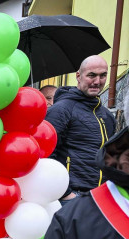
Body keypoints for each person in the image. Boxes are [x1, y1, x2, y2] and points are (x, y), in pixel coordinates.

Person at [45, 55, 115, 202]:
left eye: (103, 75)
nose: (97, 81)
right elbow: (46, 155)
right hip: (71, 197)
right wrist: (66, 193)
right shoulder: (61, 110)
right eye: (92, 75)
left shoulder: (107, 116)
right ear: (78, 76)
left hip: (100, 198)